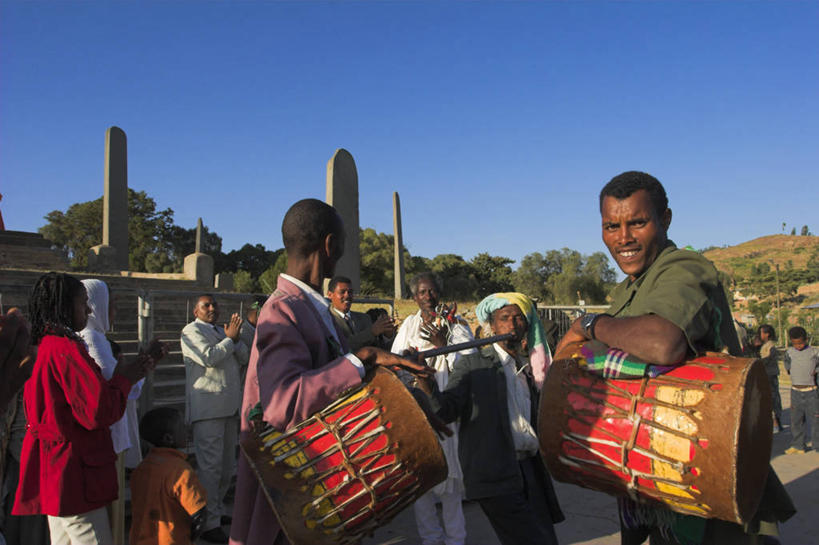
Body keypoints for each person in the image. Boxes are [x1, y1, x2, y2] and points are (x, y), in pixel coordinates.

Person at [554, 171, 795, 545]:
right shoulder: (628, 289)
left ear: (665, 219)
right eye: (611, 226)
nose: (624, 238)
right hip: (667, 479)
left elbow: (661, 344)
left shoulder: (683, 267)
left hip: (711, 475)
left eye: (638, 222)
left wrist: (590, 324)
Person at [229, 198, 432, 545]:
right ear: (329, 245)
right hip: (291, 503)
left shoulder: (312, 308)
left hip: (321, 493)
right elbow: (283, 404)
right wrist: (361, 358)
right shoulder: (281, 309)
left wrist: (411, 407)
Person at [13, 272, 158, 544]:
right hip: (73, 471)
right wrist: (125, 379)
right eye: (82, 303)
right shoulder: (65, 349)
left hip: (57, 468)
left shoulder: (45, 345)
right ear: (64, 307)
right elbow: (97, 411)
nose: (89, 309)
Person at [422, 292, 562, 545]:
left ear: (526, 326)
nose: (512, 324)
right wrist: (426, 382)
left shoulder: (532, 368)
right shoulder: (474, 364)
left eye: (518, 318)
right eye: (504, 318)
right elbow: (446, 411)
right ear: (492, 326)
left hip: (530, 470)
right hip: (495, 473)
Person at [391, 272, 473, 545]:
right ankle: (430, 538)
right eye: (422, 293)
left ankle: (455, 539)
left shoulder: (456, 324)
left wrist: (442, 345)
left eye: (432, 291)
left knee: (449, 479)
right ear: (414, 297)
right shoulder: (409, 325)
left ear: (439, 292)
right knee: (421, 477)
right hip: (416, 407)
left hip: (447, 404)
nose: (428, 297)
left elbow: (468, 363)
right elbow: (395, 362)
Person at [78, 279, 144, 545]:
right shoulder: (92, 339)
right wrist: (138, 371)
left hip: (109, 436)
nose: (113, 311)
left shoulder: (98, 339)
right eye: (111, 304)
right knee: (108, 520)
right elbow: (115, 384)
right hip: (107, 439)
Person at [181, 294, 250, 543]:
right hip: (208, 408)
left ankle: (216, 513)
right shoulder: (190, 331)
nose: (212, 308)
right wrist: (230, 340)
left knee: (224, 468)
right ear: (195, 311)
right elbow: (208, 357)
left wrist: (235, 339)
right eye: (206, 306)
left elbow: (244, 358)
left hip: (229, 407)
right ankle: (207, 523)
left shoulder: (222, 331)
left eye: (214, 305)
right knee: (209, 468)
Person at [129, 407, 207, 545]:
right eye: (182, 427)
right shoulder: (181, 471)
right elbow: (199, 514)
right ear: (168, 438)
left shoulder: (141, 469)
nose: (187, 430)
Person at [327, 275, 396, 350]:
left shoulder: (365, 318)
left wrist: (388, 335)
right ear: (330, 295)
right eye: (342, 292)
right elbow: (342, 346)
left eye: (350, 292)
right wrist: (371, 332)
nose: (347, 295)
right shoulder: (326, 320)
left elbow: (380, 349)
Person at [783, 326, 819, 454]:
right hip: (795, 392)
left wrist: (816, 371)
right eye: (795, 343)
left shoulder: (814, 352)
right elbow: (786, 363)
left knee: (816, 420)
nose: (798, 346)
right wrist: (790, 370)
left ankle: (817, 445)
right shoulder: (789, 352)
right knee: (796, 420)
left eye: (801, 343)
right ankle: (798, 445)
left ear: (806, 339)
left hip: (812, 392)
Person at [758, 324, 784, 433]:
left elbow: (767, 359)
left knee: (771, 399)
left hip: (769, 375)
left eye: (761, 333)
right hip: (767, 374)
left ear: (767, 334)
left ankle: (776, 425)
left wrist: (757, 362)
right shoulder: (765, 345)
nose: (760, 335)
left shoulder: (770, 346)